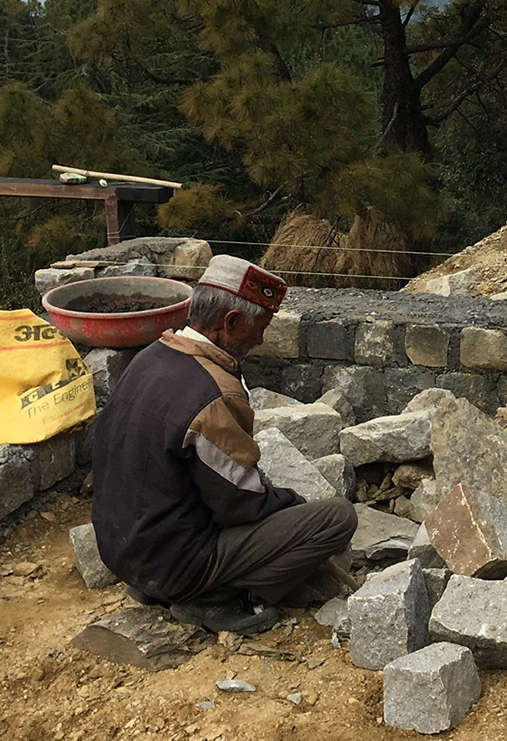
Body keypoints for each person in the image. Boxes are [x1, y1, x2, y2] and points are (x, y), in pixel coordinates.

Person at [91, 254, 355, 633]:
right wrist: (292, 505)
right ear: (230, 323)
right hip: (172, 564)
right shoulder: (213, 393)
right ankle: (213, 599)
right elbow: (241, 504)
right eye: (259, 327)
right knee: (337, 518)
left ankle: (157, 586)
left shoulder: (150, 357)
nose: (260, 339)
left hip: (122, 550)